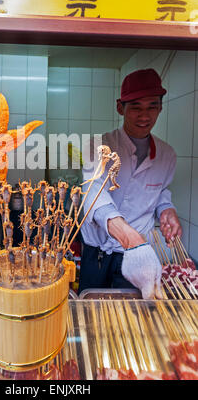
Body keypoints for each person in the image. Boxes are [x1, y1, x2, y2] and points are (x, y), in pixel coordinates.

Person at [78, 68, 182, 299]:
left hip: (134, 256)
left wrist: (167, 210)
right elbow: (95, 197)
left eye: (152, 107)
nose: (144, 116)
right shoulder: (98, 146)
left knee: (130, 317)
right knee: (90, 313)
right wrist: (131, 239)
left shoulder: (167, 155)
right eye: (136, 107)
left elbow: (161, 191)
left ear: (160, 108)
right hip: (98, 253)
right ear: (120, 107)